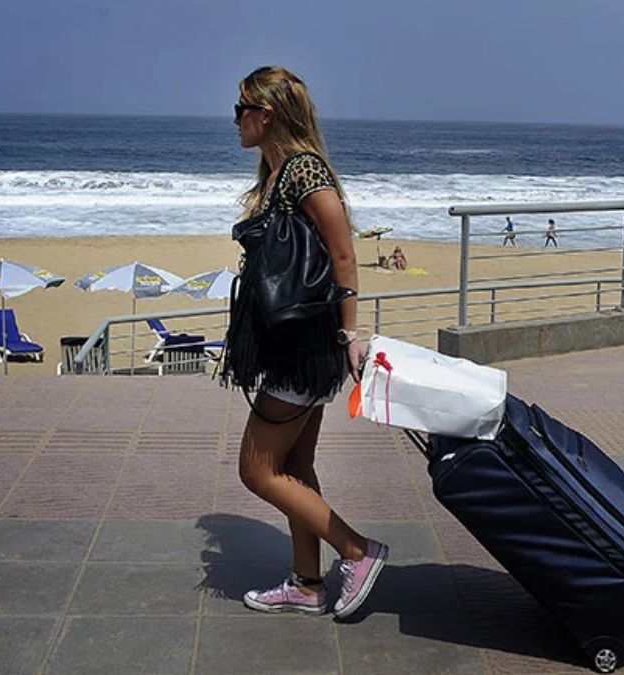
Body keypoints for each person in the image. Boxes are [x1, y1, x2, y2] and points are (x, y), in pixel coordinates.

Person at [223, 66, 388, 618]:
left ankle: (358, 552)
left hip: (304, 347)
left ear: (265, 115)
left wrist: (350, 336)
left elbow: (344, 254)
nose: (237, 118)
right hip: (292, 341)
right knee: (296, 467)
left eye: (241, 108)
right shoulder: (277, 173)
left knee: (258, 470)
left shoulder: (303, 171)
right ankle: (308, 584)